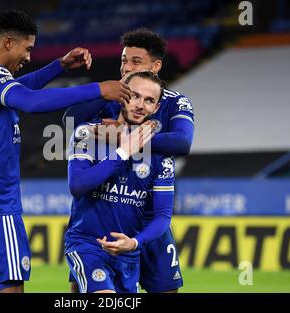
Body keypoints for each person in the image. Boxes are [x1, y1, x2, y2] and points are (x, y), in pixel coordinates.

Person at [0, 10, 131, 293]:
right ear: (9, 42)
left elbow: (16, 89)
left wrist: (58, 66)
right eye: (28, 48)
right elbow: (30, 101)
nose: (29, 57)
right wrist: (98, 89)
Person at [64, 28, 194, 293]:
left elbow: (182, 142)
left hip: (147, 213)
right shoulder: (114, 96)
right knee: (83, 289)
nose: (126, 67)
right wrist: (102, 93)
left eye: (135, 61)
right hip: (102, 216)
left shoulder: (174, 101)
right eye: (124, 60)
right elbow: (71, 122)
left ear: (155, 66)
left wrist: (126, 137)